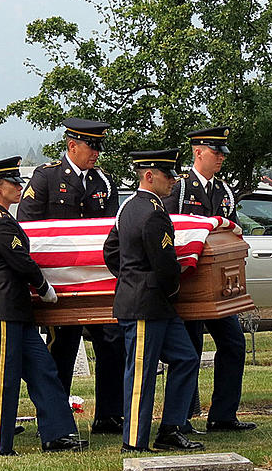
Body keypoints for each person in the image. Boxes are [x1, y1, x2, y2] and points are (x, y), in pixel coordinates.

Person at [0, 157, 89, 455]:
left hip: (16, 313)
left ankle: (57, 434)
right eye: (13, 183)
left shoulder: (5, 220)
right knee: (4, 379)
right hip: (1, 312)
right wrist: (44, 286)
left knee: (43, 371)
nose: (19, 187)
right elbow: (21, 262)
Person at [17, 117, 126, 436]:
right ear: (72, 145)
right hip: (60, 285)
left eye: (99, 147)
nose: (96, 153)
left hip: (97, 282)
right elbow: (29, 227)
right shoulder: (46, 177)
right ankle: (53, 417)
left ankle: (109, 414)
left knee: (112, 342)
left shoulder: (103, 181)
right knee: (62, 347)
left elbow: (111, 231)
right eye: (91, 146)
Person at [102, 149, 203, 452]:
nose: (174, 181)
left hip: (151, 302)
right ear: (149, 176)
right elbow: (165, 263)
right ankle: (133, 441)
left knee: (186, 358)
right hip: (147, 304)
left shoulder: (127, 208)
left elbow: (110, 251)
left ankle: (170, 429)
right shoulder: (152, 212)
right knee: (142, 372)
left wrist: (129, 276)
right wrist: (151, 283)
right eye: (168, 175)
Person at [163, 126, 255, 433]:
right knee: (189, 350)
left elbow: (233, 230)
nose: (220, 159)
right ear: (197, 152)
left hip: (216, 289)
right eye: (215, 153)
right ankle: (183, 416)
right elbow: (171, 230)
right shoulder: (180, 189)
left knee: (234, 344)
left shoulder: (224, 191)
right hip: (189, 286)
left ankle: (223, 414)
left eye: (222, 154)